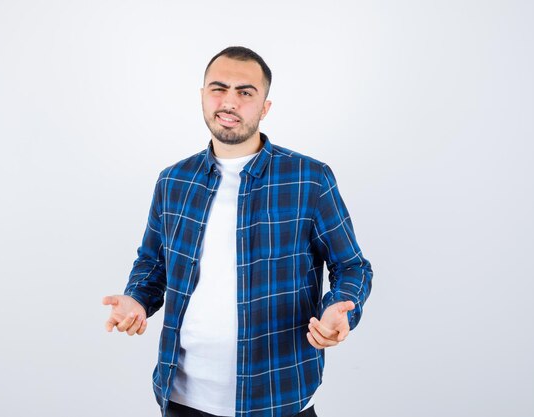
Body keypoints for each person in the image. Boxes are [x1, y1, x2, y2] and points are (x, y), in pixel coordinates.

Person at [102, 46, 373, 417]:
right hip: (182, 398)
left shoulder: (309, 179)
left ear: (265, 107)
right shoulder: (173, 181)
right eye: (218, 88)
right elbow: (153, 263)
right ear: (202, 96)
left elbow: (352, 267)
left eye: (245, 93)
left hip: (279, 396)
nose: (229, 102)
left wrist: (340, 310)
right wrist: (137, 299)